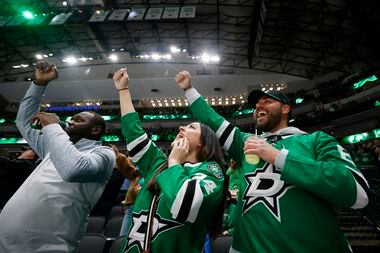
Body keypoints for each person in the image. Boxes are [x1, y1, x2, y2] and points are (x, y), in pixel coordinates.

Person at [175, 71, 370, 253]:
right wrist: (188, 90)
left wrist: (279, 158)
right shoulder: (245, 142)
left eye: (267, 101)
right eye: (256, 105)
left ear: (285, 109)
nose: (258, 106)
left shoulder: (317, 140)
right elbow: (214, 121)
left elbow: (358, 193)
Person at [0, 61, 116, 253]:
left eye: (79, 120)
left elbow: (72, 169)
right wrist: (39, 84)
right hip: (5, 242)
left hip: (47, 247)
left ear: (95, 130)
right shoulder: (52, 146)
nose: (70, 121)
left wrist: (53, 126)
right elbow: (23, 122)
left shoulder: (103, 154)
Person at [113, 68, 228, 253]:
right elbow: (133, 132)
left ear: (203, 143)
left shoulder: (211, 171)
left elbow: (185, 205)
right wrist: (123, 90)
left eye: (191, 127)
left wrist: (174, 162)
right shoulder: (159, 163)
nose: (181, 127)